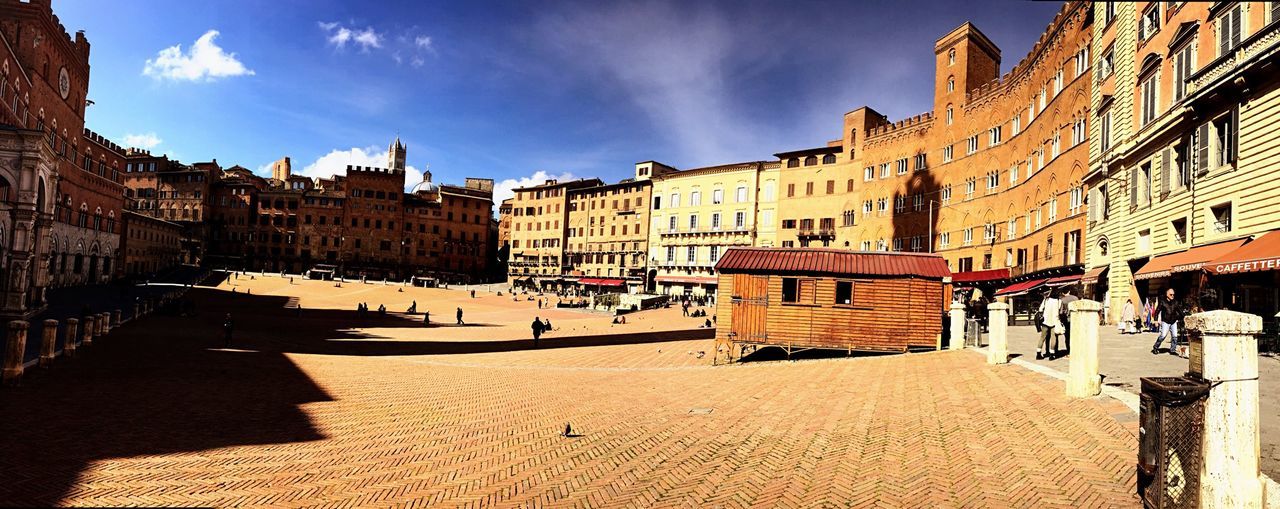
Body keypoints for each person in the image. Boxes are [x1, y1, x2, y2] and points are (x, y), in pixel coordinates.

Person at [1152, 288, 1184, 356]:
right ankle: (1155, 347)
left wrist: (1185, 318)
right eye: (1171, 294)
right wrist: (1155, 320)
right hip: (1165, 321)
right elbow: (1157, 311)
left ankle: (1172, 349)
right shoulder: (1162, 302)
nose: (1172, 296)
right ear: (1167, 294)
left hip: (1173, 322)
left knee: (1175, 336)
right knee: (1163, 335)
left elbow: (1180, 311)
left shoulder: (1175, 302)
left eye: (1173, 294)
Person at [1037, 289, 1063, 360]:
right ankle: (1052, 354)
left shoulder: (1046, 300)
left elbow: (1040, 309)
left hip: (1045, 321)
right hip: (1055, 321)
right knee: (1053, 338)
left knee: (1042, 338)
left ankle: (1038, 354)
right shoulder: (1059, 301)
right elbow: (1060, 312)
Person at [1058, 287, 1079, 354]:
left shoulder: (1062, 300)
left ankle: (1069, 350)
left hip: (1066, 320)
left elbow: (1061, 312)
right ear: (1069, 291)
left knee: (1067, 336)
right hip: (1075, 319)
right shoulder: (1076, 298)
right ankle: (1076, 349)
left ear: (1063, 293)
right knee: (1075, 335)